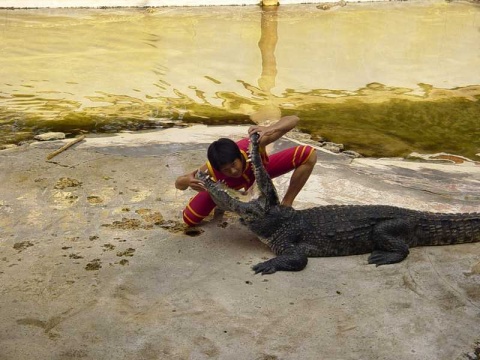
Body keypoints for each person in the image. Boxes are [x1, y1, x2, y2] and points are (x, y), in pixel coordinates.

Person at [175, 115, 317, 226]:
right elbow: (178, 183)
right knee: (190, 220)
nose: (233, 171)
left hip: (258, 175)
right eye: (226, 170)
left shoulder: (251, 145)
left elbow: (294, 119)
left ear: (239, 155)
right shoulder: (210, 169)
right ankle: (222, 204)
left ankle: (286, 204)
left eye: (234, 164)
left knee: (308, 153)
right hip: (227, 188)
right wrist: (187, 181)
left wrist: (271, 128)